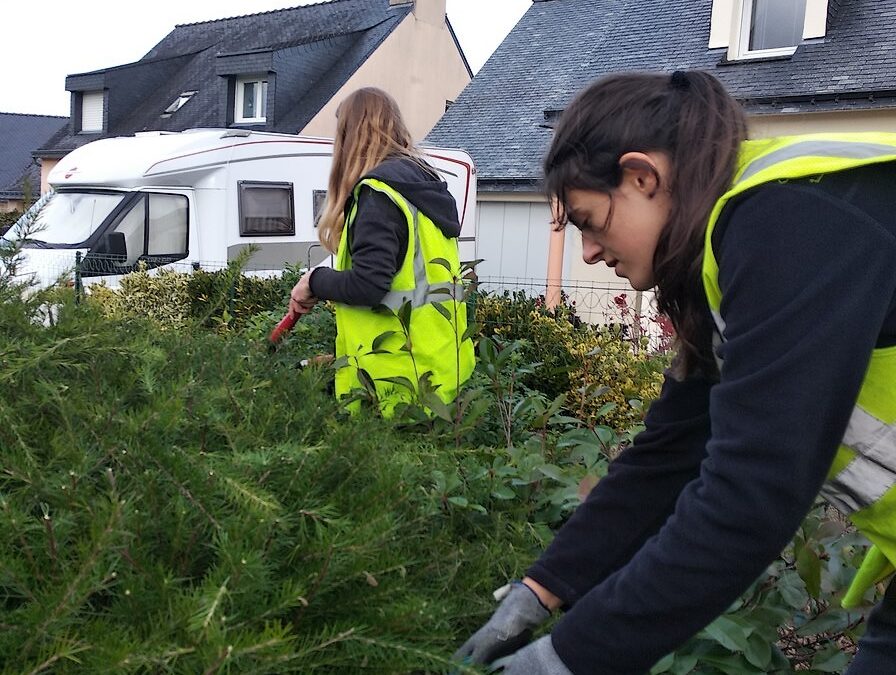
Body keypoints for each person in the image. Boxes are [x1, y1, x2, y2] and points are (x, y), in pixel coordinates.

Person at [453, 70, 896, 674]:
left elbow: (751, 493)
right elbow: (669, 453)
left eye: (588, 220)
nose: (587, 251)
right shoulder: (731, 253)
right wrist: (543, 588)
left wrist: (571, 656)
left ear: (642, 176)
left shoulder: (787, 225)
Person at [288, 87, 474, 415]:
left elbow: (369, 285)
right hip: (439, 377)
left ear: (351, 136)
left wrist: (313, 281)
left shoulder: (378, 195)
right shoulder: (423, 190)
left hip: (392, 388)